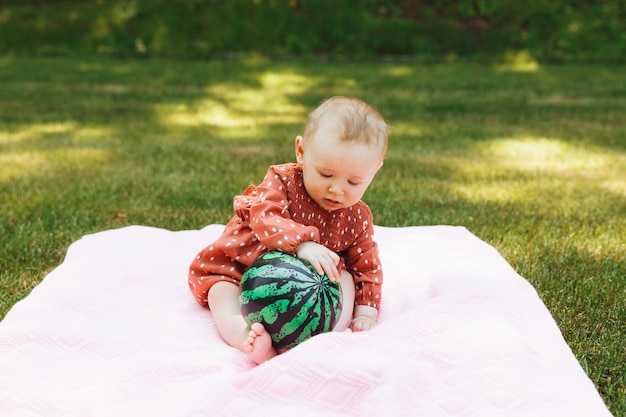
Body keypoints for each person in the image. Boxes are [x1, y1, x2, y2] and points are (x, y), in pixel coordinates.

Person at [188, 96, 389, 364]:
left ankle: (322, 334)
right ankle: (247, 336)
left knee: (347, 280)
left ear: (375, 170)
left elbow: (367, 266)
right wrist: (302, 244)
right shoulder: (282, 180)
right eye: (326, 174)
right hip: (242, 267)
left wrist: (366, 309)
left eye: (354, 181)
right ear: (301, 151)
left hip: (309, 291)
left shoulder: (357, 217)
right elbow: (264, 216)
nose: (337, 189)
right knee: (221, 293)